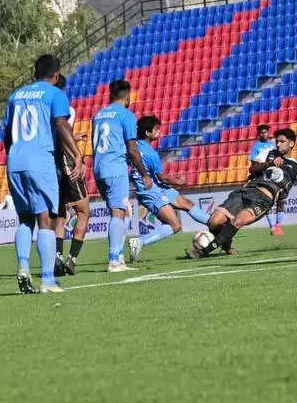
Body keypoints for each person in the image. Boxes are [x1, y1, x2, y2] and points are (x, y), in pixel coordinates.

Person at [186, 128, 297, 259]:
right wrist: (269, 163)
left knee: (238, 221)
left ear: (291, 144)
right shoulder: (268, 153)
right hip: (245, 191)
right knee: (214, 221)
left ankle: (203, 251)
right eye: (277, 141)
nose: (278, 144)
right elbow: (252, 169)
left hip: (263, 200)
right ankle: (226, 244)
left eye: (282, 141)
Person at [3, 54, 83, 294]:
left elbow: (7, 134)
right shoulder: (55, 94)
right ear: (56, 75)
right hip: (40, 160)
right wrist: (77, 153)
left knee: (24, 219)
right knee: (45, 220)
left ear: (34, 72)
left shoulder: (16, 96)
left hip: (15, 161)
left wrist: (14, 156)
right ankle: (47, 280)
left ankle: (23, 266)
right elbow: (61, 124)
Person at [127, 115, 211, 262]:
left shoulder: (133, 147)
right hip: (151, 192)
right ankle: (139, 242)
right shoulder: (150, 153)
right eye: (156, 129)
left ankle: (215, 223)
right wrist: (180, 182)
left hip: (158, 187)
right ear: (147, 133)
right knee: (175, 225)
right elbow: (163, 178)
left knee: (187, 204)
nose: (159, 131)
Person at [92, 79, 154, 272]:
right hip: (115, 167)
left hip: (99, 168)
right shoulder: (126, 115)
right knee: (118, 213)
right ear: (127, 96)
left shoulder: (98, 115)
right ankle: (114, 261)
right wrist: (144, 174)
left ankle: (118, 256)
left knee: (120, 212)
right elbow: (133, 149)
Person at [51, 74, 90, 277]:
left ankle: (57, 257)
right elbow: (62, 134)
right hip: (65, 162)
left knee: (59, 215)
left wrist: (74, 136)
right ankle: (72, 259)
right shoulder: (66, 108)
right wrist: (77, 156)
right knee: (83, 211)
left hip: (47, 164)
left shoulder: (38, 108)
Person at [249, 124, 286, 235]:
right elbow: (254, 165)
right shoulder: (256, 147)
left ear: (268, 132)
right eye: (261, 132)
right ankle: (272, 228)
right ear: (258, 134)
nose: (263, 134)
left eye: (265, 132)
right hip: (264, 175)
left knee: (281, 200)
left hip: (276, 174)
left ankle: (278, 225)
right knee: (268, 201)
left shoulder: (273, 144)